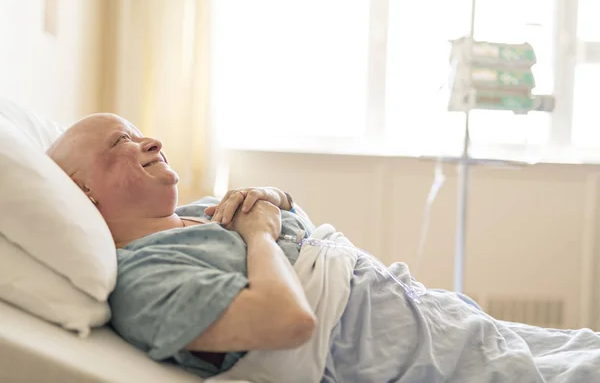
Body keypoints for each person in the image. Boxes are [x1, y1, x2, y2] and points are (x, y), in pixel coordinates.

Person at [49, 113, 600, 382]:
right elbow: (286, 321)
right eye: (121, 140)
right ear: (83, 192)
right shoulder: (145, 277)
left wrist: (270, 196)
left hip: (443, 319)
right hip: (411, 361)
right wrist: (259, 232)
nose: (151, 140)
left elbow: (287, 212)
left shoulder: (197, 211)